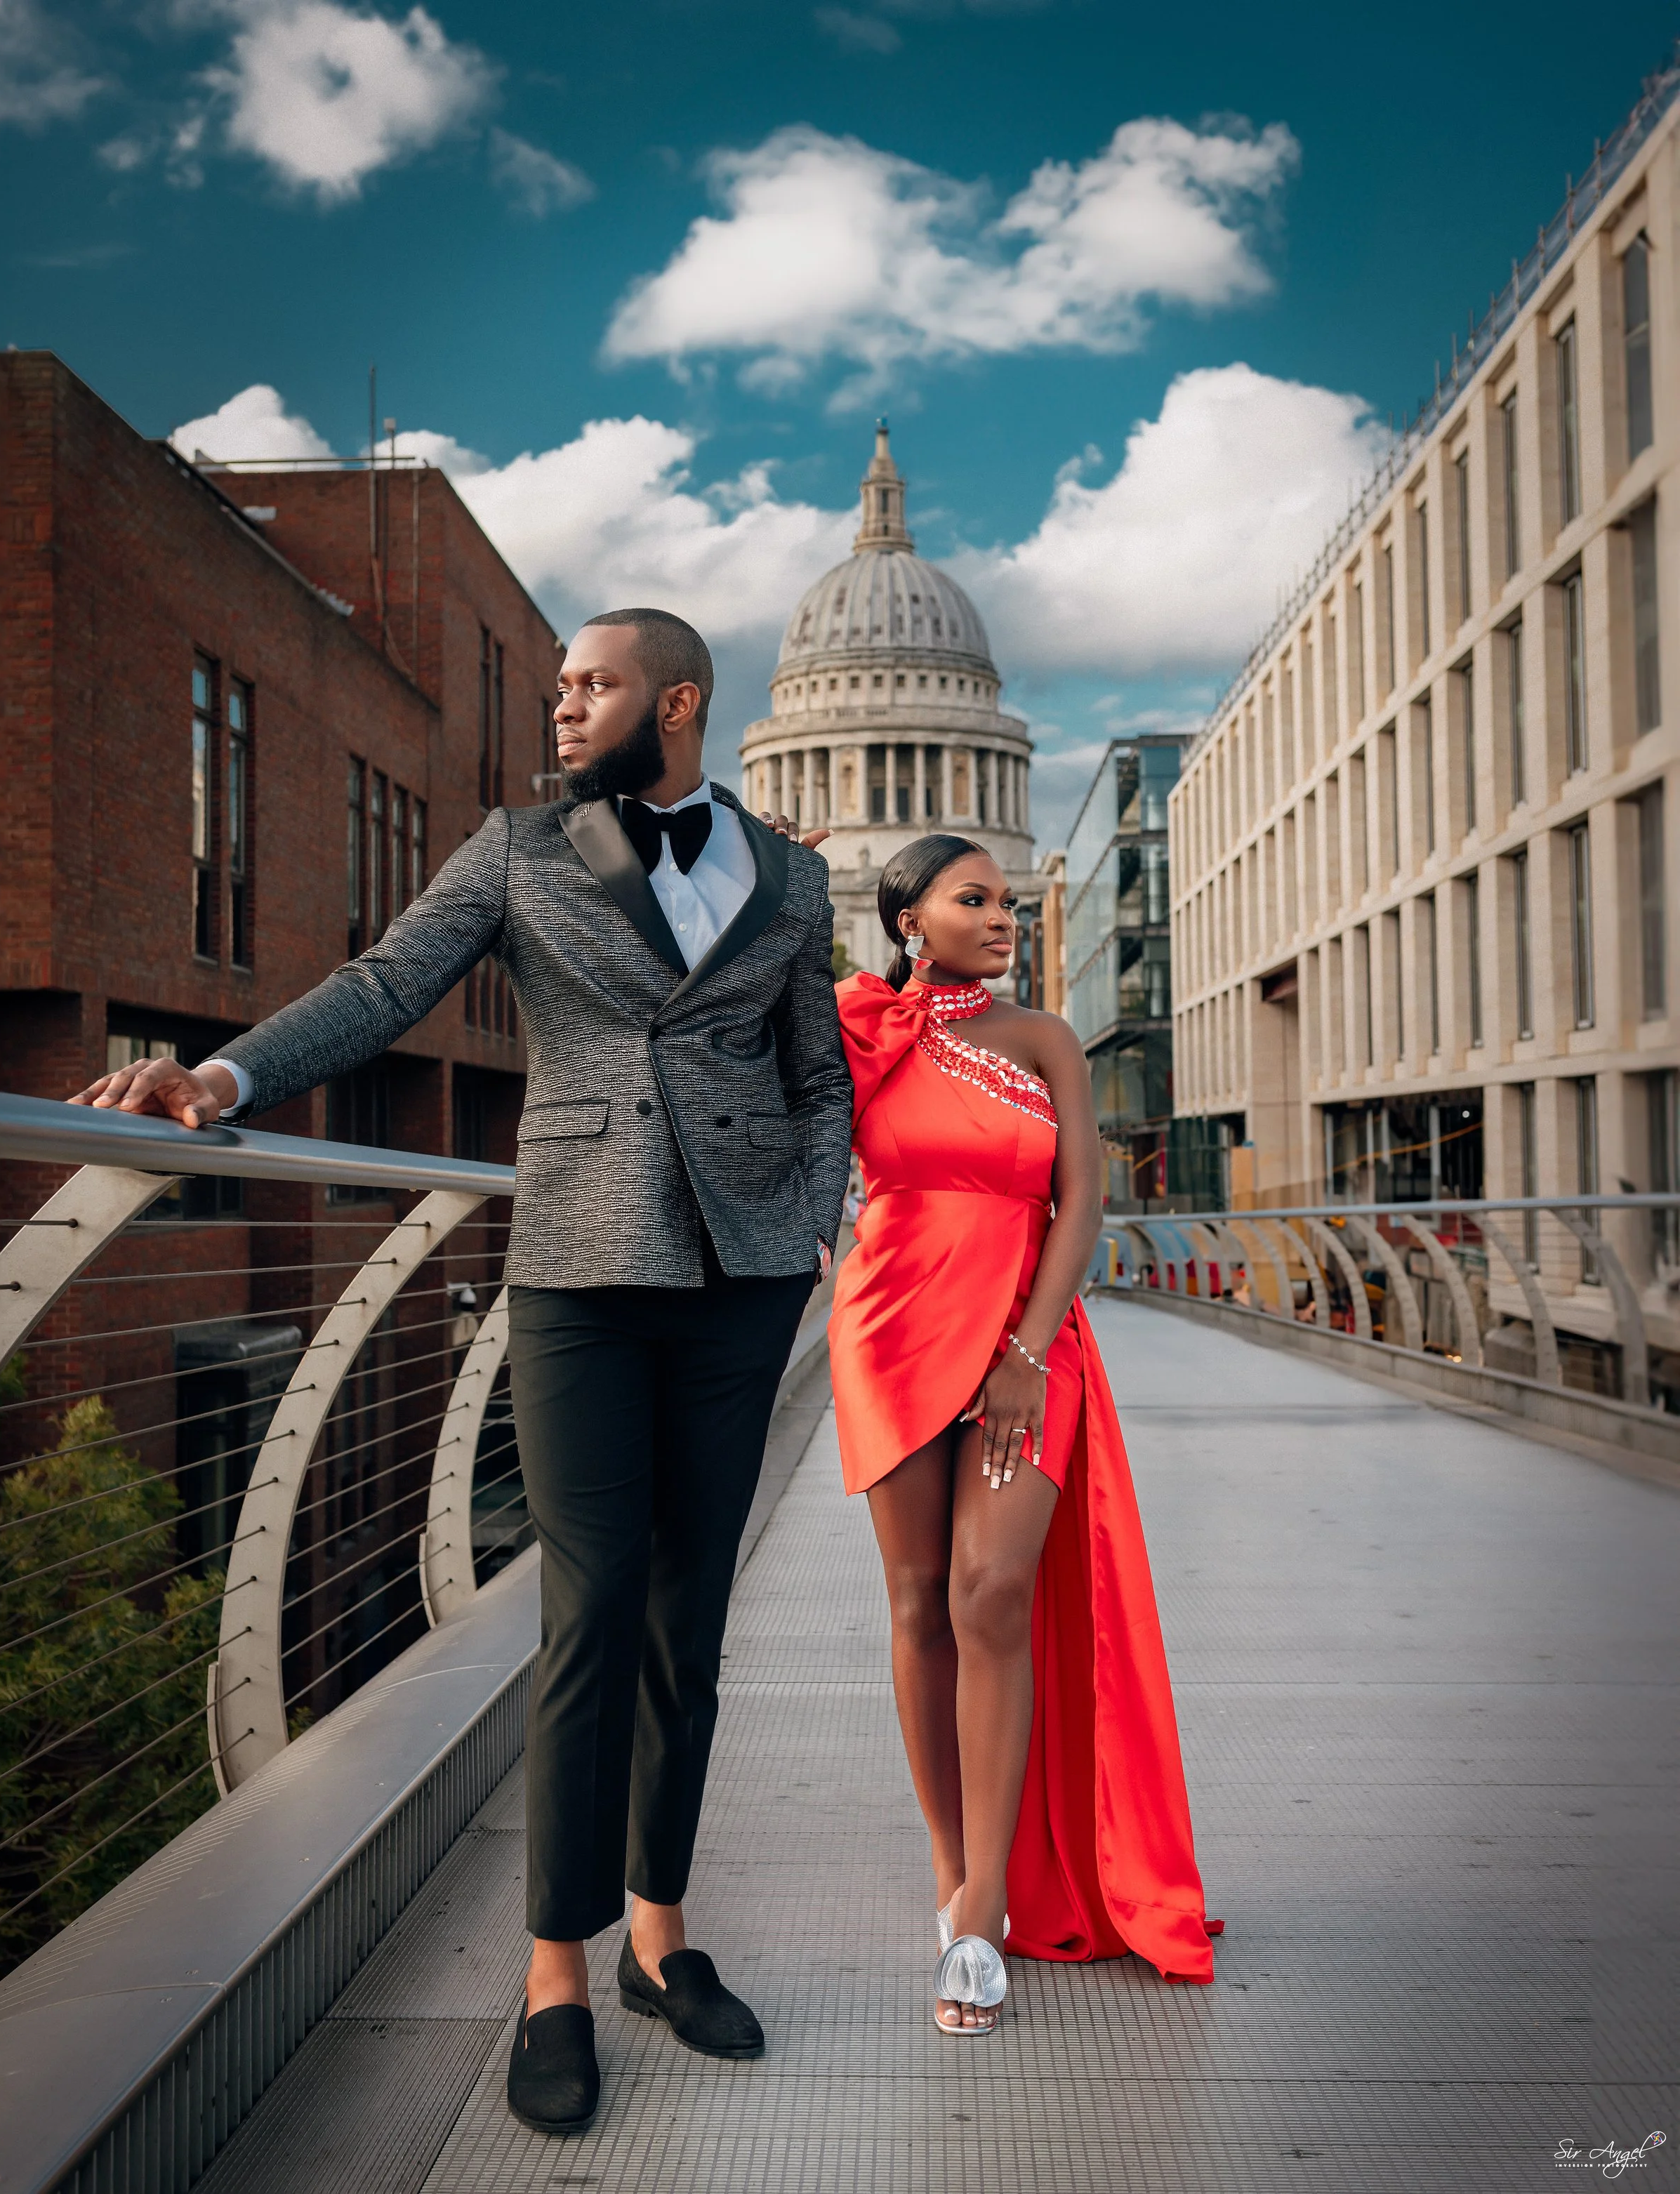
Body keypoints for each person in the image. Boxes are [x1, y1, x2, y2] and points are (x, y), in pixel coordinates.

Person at [70, 609, 853, 2135]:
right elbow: (381, 985)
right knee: (587, 1614)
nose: (561, 706)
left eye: (592, 684)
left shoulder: (795, 874)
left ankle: (658, 1937)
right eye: (555, 683)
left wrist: (810, 1216)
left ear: (675, 700)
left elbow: (814, 1068)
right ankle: (553, 1972)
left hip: (742, 1278)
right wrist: (219, 1074)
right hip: (574, 1267)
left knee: (691, 1625)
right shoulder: (515, 851)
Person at [825, 833, 1221, 2035]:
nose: (1006, 917)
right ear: (908, 919)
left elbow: (1083, 1197)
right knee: (915, 1604)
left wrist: (1026, 1349)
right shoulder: (852, 1031)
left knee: (992, 1595)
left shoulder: (1043, 1037)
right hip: (889, 1329)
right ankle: (959, 1887)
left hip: (1023, 1343)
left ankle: (989, 1896)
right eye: (976, 899)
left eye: (1011, 902)